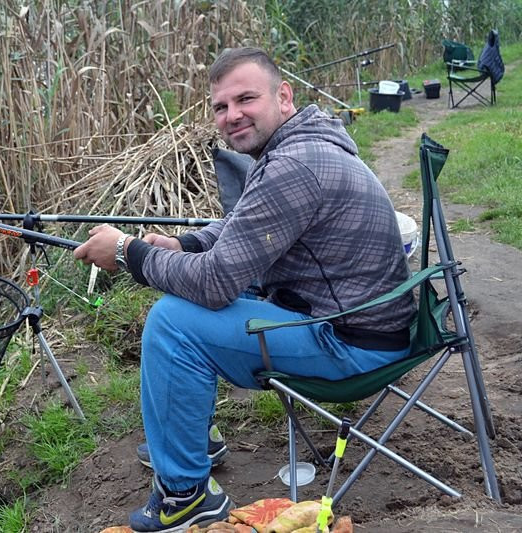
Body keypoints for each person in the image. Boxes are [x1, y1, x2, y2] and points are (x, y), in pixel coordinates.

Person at [74, 47, 415, 532]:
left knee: (173, 324)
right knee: (194, 298)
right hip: (355, 321)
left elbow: (215, 283)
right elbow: (243, 227)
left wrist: (130, 252)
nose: (232, 115)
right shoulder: (300, 147)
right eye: (220, 106)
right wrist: (182, 243)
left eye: (246, 99)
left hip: (350, 346)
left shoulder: (293, 165)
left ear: (284, 96)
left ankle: (185, 496)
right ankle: (190, 440)